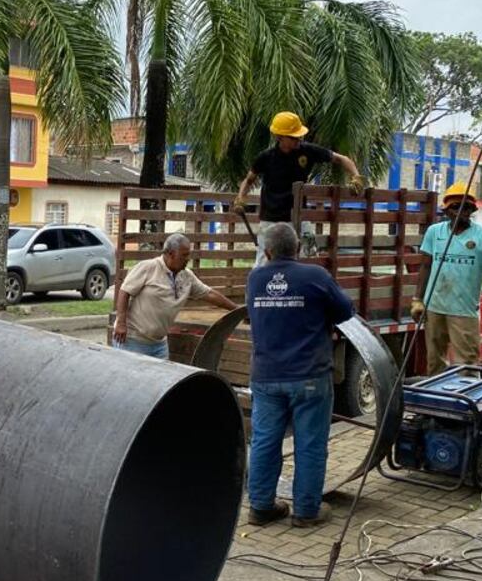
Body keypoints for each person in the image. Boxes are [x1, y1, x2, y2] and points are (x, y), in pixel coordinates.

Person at [246, 222, 355, 527]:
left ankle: (260, 507)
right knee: (309, 443)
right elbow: (346, 311)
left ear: (266, 251)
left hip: (266, 376)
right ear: (297, 249)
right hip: (308, 374)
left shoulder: (255, 279)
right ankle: (306, 512)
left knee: (265, 442)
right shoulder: (315, 276)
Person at [233, 112, 365, 267]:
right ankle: (257, 290)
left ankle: (308, 287)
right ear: (279, 137)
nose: (299, 139)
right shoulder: (266, 157)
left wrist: (356, 177)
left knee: (310, 254)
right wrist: (240, 198)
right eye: (294, 137)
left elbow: (342, 159)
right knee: (264, 261)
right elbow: (249, 180)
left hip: (299, 216)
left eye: (299, 136)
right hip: (271, 218)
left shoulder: (307, 151)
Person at [413, 182, 482, 375]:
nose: (462, 210)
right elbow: (426, 266)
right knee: (434, 363)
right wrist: (417, 300)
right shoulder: (434, 233)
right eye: (455, 206)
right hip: (434, 308)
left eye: (467, 207)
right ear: (446, 210)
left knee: (467, 366)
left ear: (472, 210)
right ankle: (438, 401)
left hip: (464, 311)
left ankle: (466, 401)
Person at [113, 233, 239, 358]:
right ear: (171, 254)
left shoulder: (187, 276)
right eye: (184, 255)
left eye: (188, 255)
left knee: (164, 378)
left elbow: (210, 294)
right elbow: (124, 292)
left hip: (159, 343)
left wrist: (238, 310)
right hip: (132, 341)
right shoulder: (148, 267)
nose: (187, 259)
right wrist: (121, 323)